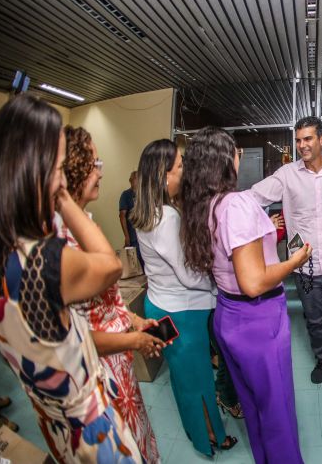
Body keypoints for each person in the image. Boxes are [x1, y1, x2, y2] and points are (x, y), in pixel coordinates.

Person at [0, 94, 141, 463]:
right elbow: (109, 267)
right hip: (93, 428)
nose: (63, 176)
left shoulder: (3, 251)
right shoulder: (43, 260)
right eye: (58, 167)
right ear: (36, 169)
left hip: (53, 422)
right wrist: (62, 198)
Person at [181, 127, 311, 464]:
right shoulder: (236, 203)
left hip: (228, 314)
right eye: (236, 150)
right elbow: (253, 282)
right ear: (225, 160)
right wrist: (293, 261)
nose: (240, 155)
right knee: (276, 408)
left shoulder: (203, 205)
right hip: (257, 318)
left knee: (254, 404)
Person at [57, 126, 162, 463]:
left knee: (138, 435)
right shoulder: (58, 243)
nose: (100, 170)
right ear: (70, 169)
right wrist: (134, 341)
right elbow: (74, 336)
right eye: (93, 162)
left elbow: (107, 299)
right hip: (97, 371)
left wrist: (133, 320)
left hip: (119, 360)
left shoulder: (84, 224)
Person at [250, 116, 322, 397]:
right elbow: (254, 197)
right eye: (299, 140)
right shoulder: (287, 174)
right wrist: (223, 203)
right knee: (314, 319)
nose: (301, 145)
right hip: (304, 264)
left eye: (307, 139)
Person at [132, 138, 237, 456]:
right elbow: (189, 276)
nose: (185, 172)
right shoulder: (167, 218)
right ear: (163, 175)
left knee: (180, 377)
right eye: (180, 166)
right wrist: (219, 285)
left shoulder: (145, 212)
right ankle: (211, 438)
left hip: (158, 306)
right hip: (183, 315)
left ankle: (198, 431)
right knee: (198, 379)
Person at [119, 171, 143, 267]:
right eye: (136, 179)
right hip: (134, 236)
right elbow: (122, 216)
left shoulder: (145, 194)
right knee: (137, 264)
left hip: (146, 234)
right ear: (130, 181)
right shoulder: (126, 195)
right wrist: (127, 236)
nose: (138, 181)